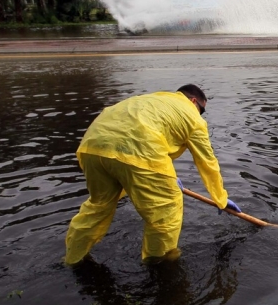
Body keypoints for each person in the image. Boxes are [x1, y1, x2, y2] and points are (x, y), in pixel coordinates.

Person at [64, 84, 241, 265]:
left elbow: (154, 131)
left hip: (92, 147)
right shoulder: (193, 118)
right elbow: (207, 162)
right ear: (194, 101)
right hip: (137, 151)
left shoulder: (154, 100)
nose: (200, 115)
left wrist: (170, 177)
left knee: (98, 205)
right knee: (166, 212)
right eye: (201, 110)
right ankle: (159, 265)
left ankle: (73, 258)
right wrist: (221, 198)